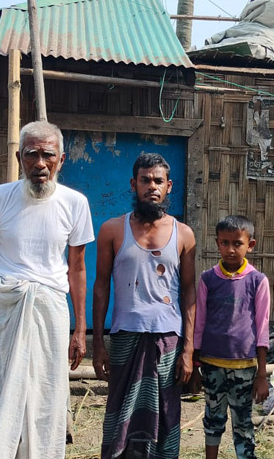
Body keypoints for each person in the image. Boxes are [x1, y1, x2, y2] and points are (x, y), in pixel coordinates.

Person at [0, 120, 94, 459]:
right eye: (32, 155)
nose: (40, 164)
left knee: (47, 394)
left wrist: (80, 330)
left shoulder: (75, 203)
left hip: (51, 310)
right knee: (2, 390)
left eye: (48, 155)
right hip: (5, 307)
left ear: (61, 159)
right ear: (18, 157)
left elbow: (78, 269)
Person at [92, 153, 196, 459]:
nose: (152, 186)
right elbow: (100, 287)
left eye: (158, 181)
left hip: (168, 339)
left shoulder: (184, 234)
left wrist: (188, 348)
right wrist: (98, 343)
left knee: (164, 412)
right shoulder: (112, 229)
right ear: (133, 184)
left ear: (169, 186)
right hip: (125, 336)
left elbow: (189, 292)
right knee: (120, 411)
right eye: (145, 180)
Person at [193, 215, 270, 459]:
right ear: (217, 243)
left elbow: (262, 328)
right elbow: (199, 322)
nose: (230, 249)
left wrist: (261, 374)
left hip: (245, 366)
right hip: (212, 364)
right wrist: (195, 365)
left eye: (237, 243)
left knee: (243, 423)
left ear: (251, 245)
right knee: (212, 418)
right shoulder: (208, 279)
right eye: (224, 243)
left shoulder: (258, 281)